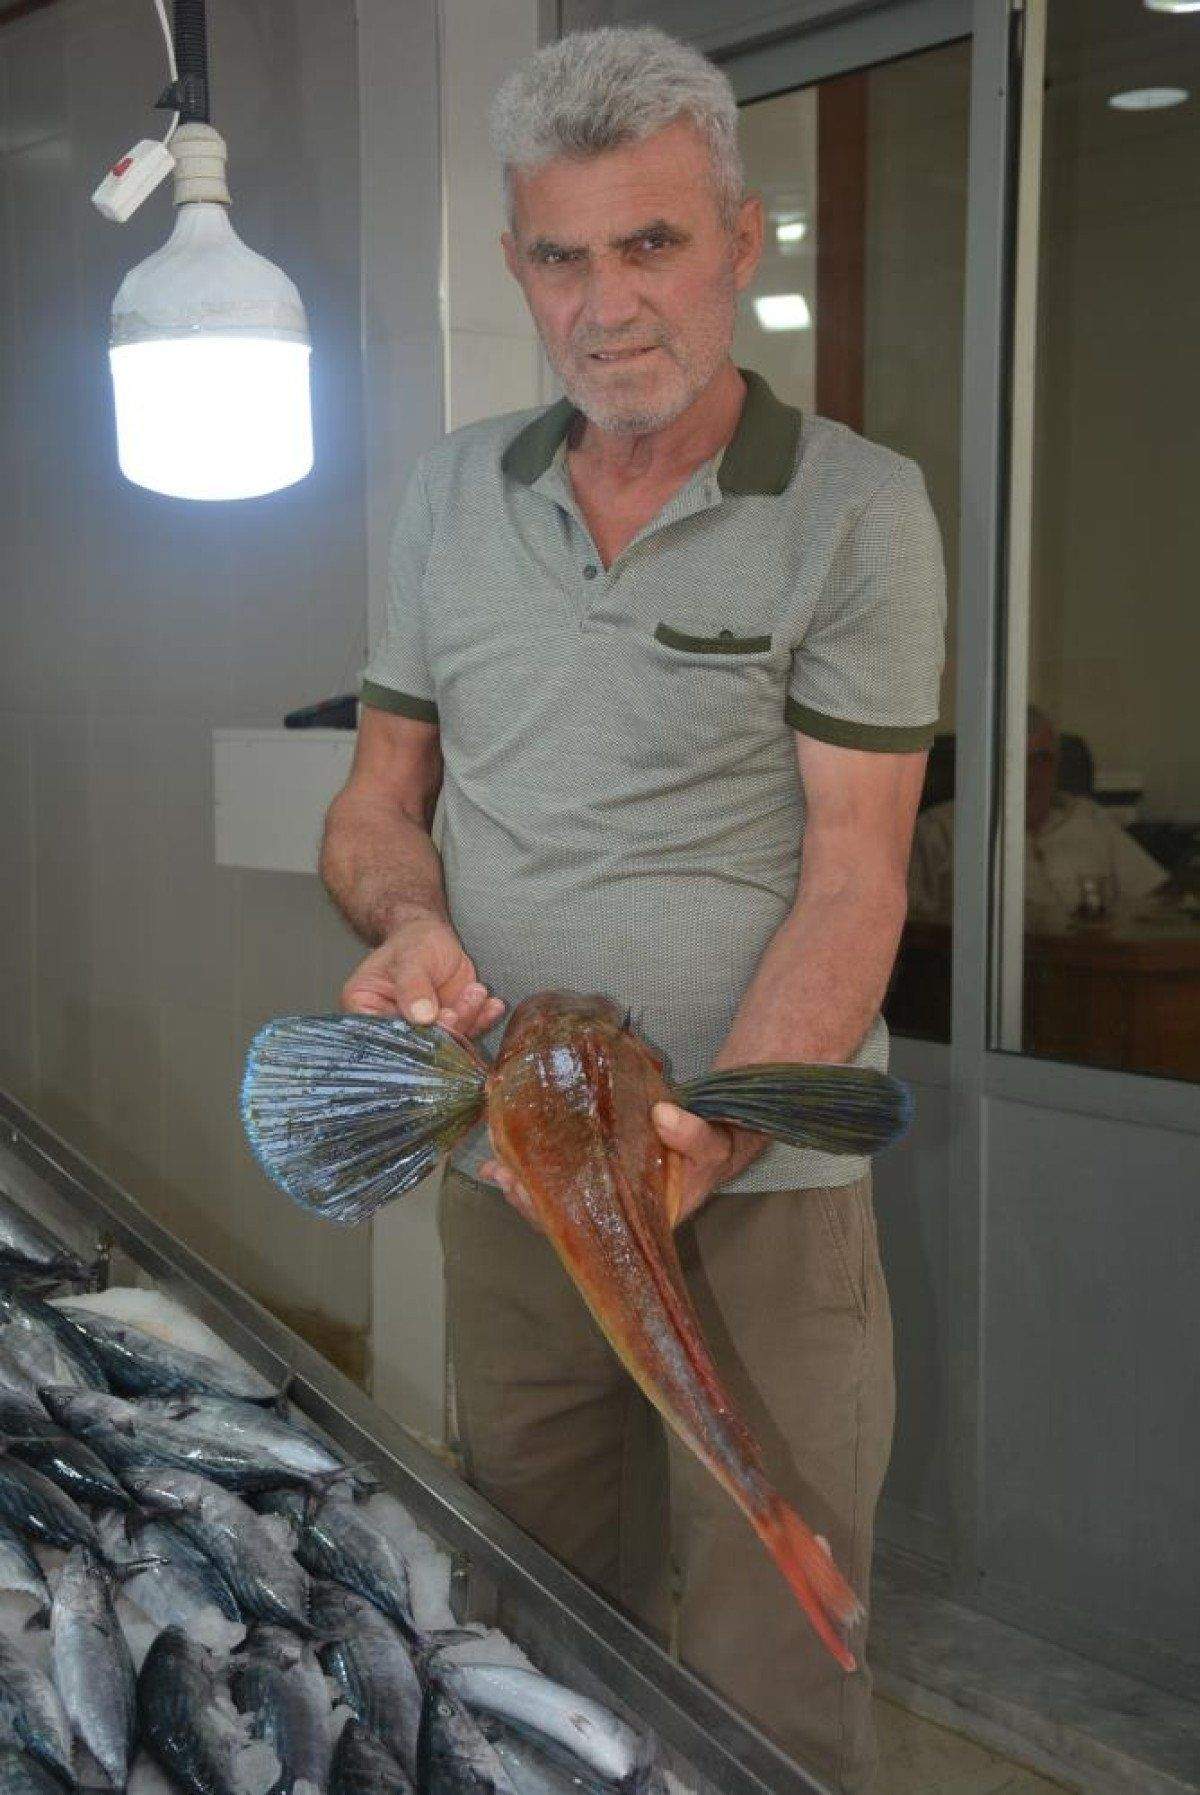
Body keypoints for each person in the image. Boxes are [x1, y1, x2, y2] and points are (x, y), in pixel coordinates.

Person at [320, 26, 946, 1795]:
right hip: (508, 1170)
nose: (605, 306)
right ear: (517, 262)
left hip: (762, 1192)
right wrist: (403, 918)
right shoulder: (449, 495)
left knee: (771, 1657)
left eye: (652, 243)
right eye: (561, 256)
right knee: (528, 1618)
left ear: (741, 239)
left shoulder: (858, 512)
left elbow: (858, 872)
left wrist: (710, 1137)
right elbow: (377, 802)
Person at [909, 708, 1166, 928]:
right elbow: (911, 929)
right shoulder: (938, 830)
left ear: (1057, 766)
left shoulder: (1088, 817)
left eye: (1041, 759)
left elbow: (1152, 899)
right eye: (1013, 759)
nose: (1029, 774)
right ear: (986, 764)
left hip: (1092, 961)